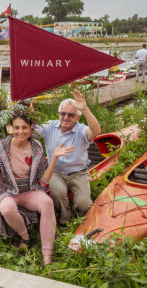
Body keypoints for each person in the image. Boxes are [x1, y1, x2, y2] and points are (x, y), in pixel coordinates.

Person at [0, 109, 74, 266]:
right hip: (8, 190)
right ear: (11, 128)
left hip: (29, 190)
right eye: (16, 127)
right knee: (7, 209)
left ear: (31, 128)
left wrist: (53, 159)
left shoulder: (36, 147)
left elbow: (43, 180)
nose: (20, 132)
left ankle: (47, 255)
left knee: (47, 202)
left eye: (24, 127)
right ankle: (25, 237)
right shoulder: (0, 147)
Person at [37, 90, 101, 226]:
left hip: (79, 173)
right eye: (63, 113)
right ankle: (65, 220)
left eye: (71, 115)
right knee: (58, 193)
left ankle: (79, 218)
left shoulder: (82, 130)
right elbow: (29, 130)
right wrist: (24, 112)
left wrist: (85, 109)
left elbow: (96, 131)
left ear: (78, 117)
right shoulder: (50, 126)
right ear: (59, 114)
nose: (66, 117)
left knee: (83, 204)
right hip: (56, 172)